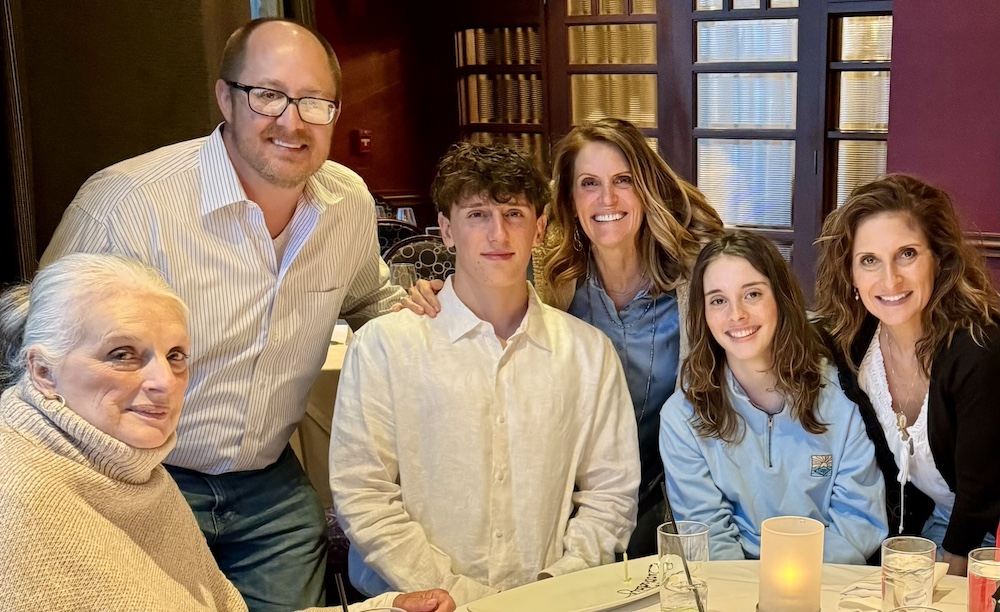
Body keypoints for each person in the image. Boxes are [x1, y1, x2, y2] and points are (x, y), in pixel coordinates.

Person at [40, 18, 405, 610]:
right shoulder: (131, 203)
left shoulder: (346, 204)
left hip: (270, 492)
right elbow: (31, 351)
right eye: (267, 95)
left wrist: (449, 313)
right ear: (224, 98)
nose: (291, 120)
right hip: (139, 479)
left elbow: (373, 302)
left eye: (314, 101)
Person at [0, 253, 454, 612]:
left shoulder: (133, 471)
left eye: (175, 355)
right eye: (122, 354)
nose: (165, 382)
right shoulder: (22, 503)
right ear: (42, 371)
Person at [329, 142, 640, 606]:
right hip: (420, 603)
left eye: (514, 214)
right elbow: (364, 494)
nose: (498, 234)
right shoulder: (386, 347)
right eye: (477, 215)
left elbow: (611, 494)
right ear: (447, 230)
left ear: (539, 230)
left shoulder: (587, 353)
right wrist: (457, 595)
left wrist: (560, 584)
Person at [404, 118, 724, 557]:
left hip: (671, 495)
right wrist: (436, 295)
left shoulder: (699, 283)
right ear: (570, 201)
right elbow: (480, 302)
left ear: (646, 188)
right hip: (566, 508)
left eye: (623, 180)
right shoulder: (549, 279)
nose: (606, 198)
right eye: (589, 183)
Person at [659, 231, 888, 564]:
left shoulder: (842, 394)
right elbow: (706, 534)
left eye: (752, 294)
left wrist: (792, 588)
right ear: (703, 314)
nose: (736, 314)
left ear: (781, 297)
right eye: (718, 300)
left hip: (826, 582)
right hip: (732, 590)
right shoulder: (682, 417)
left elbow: (858, 522)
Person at [814, 174, 1000, 575]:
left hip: (988, 532)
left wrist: (939, 582)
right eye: (869, 261)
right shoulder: (855, 343)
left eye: (907, 254)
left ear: (939, 256)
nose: (890, 280)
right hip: (941, 524)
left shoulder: (978, 349)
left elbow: (983, 493)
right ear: (850, 274)